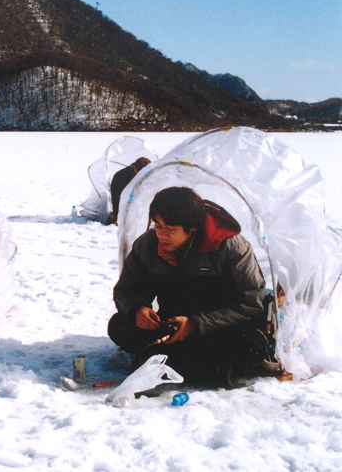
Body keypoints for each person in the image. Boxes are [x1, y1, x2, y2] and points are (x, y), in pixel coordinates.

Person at [107, 186, 272, 388]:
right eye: (158, 226)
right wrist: (137, 309)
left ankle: (190, 361)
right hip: (173, 324)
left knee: (249, 346)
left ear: (192, 227)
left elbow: (251, 301)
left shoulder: (229, 246)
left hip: (220, 327)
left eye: (170, 230)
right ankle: (189, 360)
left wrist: (197, 323)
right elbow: (126, 289)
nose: (162, 235)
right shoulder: (147, 246)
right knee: (119, 326)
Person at [109, 157, 151, 224]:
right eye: (140, 173)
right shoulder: (120, 176)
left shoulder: (146, 173)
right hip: (125, 203)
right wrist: (116, 214)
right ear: (134, 167)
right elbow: (115, 196)